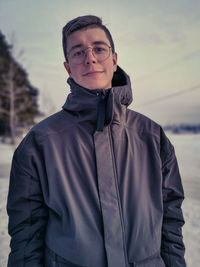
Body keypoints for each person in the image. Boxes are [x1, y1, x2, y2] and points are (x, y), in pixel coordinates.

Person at [7, 15, 186, 267]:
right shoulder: (39, 144)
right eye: (78, 52)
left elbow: (170, 221)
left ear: (114, 60)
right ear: (68, 67)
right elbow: (26, 235)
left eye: (99, 49)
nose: (90, 58)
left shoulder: (152, 136)